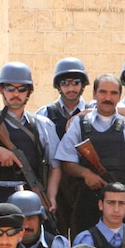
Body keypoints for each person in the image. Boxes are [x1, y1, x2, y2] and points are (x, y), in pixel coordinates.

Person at [56, 72, 125, 233]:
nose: (108, 97)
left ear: (120, 96)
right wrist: (86, 174)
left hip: (120, 202)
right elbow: (66, 162)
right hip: (87, 201)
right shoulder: (79, 124)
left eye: (113, 93)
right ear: (94, 94)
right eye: (103, 92)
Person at [0, 62, 61, 211]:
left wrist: (50, 196)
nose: (16, 94)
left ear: (28, 91)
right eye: (10, 88)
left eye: (21, 89)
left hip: (33, 196)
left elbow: (55, 167)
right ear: (1, 90)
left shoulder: (43, 125)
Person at [37, 57, 90, 236]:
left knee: (82, 235)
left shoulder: (93, 110)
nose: (71, 88)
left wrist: (84, 114)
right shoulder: (45, 113)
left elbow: (121, 111)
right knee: (54, 235)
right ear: (58, 86)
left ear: (82, 85)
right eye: (65, 83)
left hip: (82, 182)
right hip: (54, 183)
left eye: (76, 82)